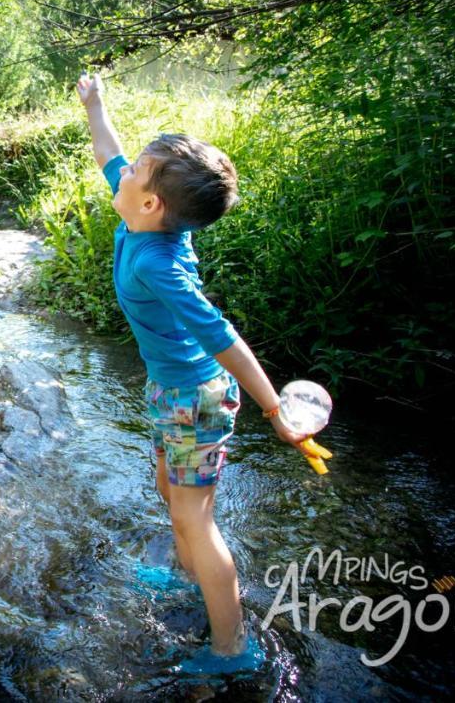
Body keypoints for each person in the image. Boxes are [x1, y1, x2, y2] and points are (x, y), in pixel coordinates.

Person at [76, 70, 307, 670]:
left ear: (151, 202)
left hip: (197, 395)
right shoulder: (141, 215)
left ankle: (233, 648)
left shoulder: (159, 262)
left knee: (194, 519)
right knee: (168, 489)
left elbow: (221, 337)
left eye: (135, 172)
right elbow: (110, 150)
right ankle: (185, 574)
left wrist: (275, 408)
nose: (122, 170)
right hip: (169, 389)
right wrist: (95, 103)